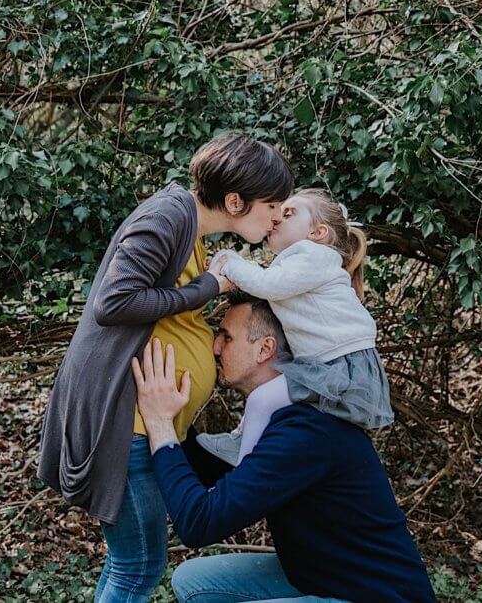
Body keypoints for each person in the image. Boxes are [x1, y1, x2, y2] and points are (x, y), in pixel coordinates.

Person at [36, 132, 293, 602]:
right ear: (235, 200)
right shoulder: (169, 215)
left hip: (145, 424)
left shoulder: (189, 230)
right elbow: (114, 302)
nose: (278, 215)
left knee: (129, 564)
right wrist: (208, 287)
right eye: (272, 204)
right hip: (127, 424)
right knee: (140, 567)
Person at [131, 294, 437, 603]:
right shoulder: (278, 418)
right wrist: (170, 414)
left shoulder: (306, 432)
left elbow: (200, 523)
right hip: (321, 580)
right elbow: (218, 476)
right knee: (193, 580)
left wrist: (160, 424)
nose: (215, 347)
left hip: (378, 597)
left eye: (226, 337)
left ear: (265, 349)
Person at [197, 188, 394, 466]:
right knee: (269, 401)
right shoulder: (301, 263)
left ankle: (244, 460)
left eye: (288, 213)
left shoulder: (314, 255)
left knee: (262, 400)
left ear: (318, 232)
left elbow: (268, 285)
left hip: (340, 365)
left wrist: (230, 261)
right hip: (328, 363)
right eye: (277, 211)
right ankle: (246, 441)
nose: (277, 217)